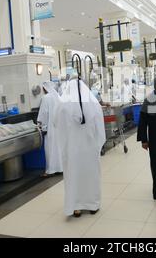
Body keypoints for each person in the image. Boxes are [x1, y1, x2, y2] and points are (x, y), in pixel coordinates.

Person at [53, 78, 105, 218]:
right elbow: (100, 128)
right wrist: (98, 144)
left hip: (72, 150)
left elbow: (55, 123)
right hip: (90, 149)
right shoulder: (93, 103)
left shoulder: (63, 105)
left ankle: (75, 207)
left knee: (73, 176)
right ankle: (93, 205)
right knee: (91, 175)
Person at [37, 82, 63, 177]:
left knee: (50, 149)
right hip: (59, 128)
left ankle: (50, 170)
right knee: (59, 149)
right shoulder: (59, 97)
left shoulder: (46, 98)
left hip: (50, 128)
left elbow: (43, 113)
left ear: (45, 88)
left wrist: (42, 126)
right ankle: (60, 168)